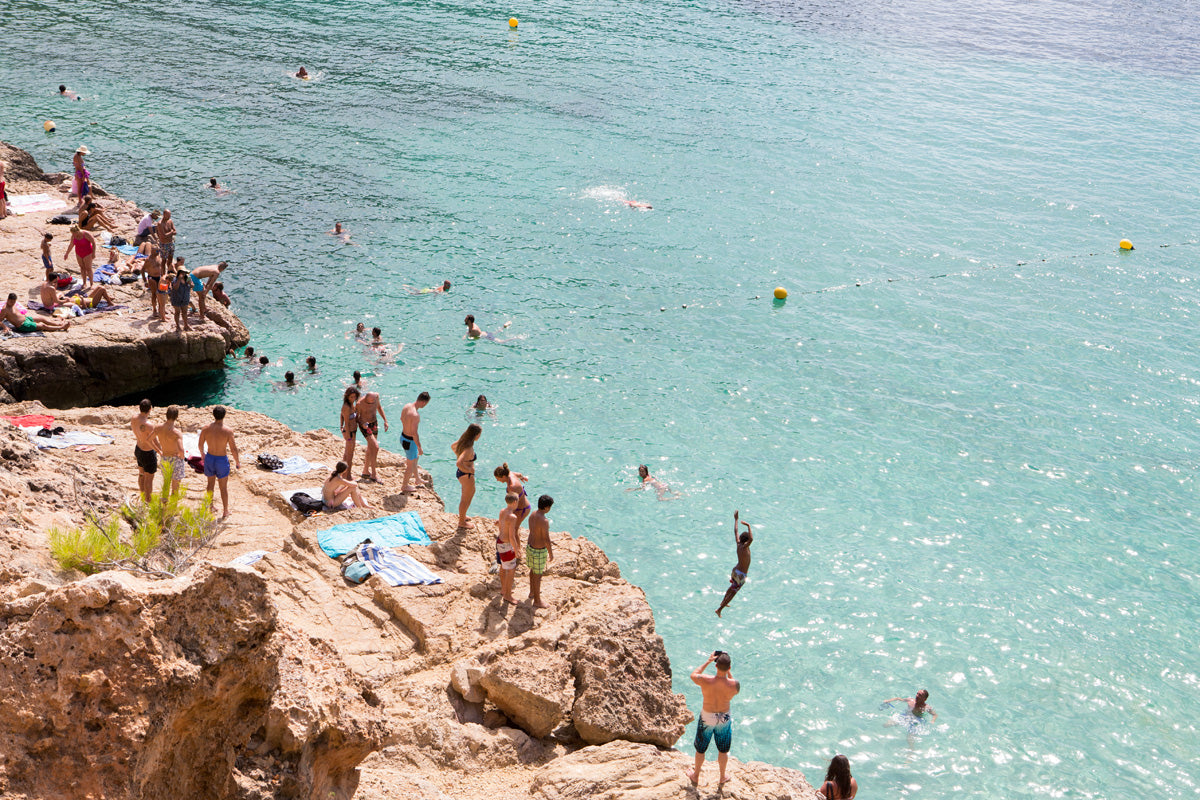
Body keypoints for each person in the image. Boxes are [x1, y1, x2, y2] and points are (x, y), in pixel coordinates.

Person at [687, 651, 740, 786]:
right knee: (723, 749)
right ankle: (722, 776)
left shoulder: (705, 680)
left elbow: (694, 674)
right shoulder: (734, 685)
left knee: (701, 748)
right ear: (729, 667)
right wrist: (728, 672)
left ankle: (695, 775)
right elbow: (733, 683)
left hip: (707, 716)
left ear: (716, 666)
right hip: (724, 718)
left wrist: (708, 661)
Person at [198, 405, 240, 519]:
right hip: (221, 460)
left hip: (210, 458)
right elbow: (233, 449)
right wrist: (237, 462)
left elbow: (200, 444)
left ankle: (210, 506)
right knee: (223, 487)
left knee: (210, 484)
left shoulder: (206, 428)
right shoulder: (228, 431)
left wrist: (202, 455)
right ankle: (225, 511)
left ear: (213, 415)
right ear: (224, 415)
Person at [716, 511, 754, 617]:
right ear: (746, 542)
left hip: (735, 571)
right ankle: (720, 609)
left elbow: (736, 531)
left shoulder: (738, 544)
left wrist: (736, 519)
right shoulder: (745, 547)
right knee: (733, 593)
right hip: (741, 575)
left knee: (731, 587)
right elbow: (752, 539)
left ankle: (723, 601)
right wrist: (748, 526)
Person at [450, 424, 481, 529]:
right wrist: (469, 470)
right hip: (466, 475)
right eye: (479, 434)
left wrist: (458, 454)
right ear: (476, 435)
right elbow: (459, 463)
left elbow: (453, 446)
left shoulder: (463, 442)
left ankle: (463, 516)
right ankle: (461, 522)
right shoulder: (468, 448)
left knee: (469, 494)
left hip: (462, 474)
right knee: (465, 499)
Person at [526, 495, 555, 608]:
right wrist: (551, 553)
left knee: (532, 570)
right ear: (547, 507)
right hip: (539, 550)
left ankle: (532, 592)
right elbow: (546, 539)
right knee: (538, 575)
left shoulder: (532, 514)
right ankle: (537, 601)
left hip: (530, 547)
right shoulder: (544, 521)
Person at [130, 399, 160, 503]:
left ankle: (143, 497)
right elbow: (155, 442)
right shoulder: (149, 425)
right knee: (149, 479)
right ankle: (148, 501)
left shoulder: (134, 418)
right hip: (148, 453)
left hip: (138, 449)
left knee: (141, 474)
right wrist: (161, 451)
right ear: (150, 409)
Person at [399, 392, 429, 493]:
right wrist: (419, 447)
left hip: (403, 436)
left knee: (415, 458)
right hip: (410, 441)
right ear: (424, 402)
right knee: (410, 466)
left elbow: (401, 418)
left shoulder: (407, 406)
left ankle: (417, 479)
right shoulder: (415, 415)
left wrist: (407, 425)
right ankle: (404, 486)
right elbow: (414, 433)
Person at [356, 391, 389, 482]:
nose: (371, 403)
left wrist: (385, 420)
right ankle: (374, 474)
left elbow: (379, 407)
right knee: (375, 447)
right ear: (366, 398)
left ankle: (365, 471)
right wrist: (362, 424)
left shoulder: (376, 397)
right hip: (365, 426)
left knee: (371, 448)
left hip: (374, 423)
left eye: (373, 401)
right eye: (369, 402)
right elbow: (356, 417)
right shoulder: (359, 404)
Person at [156, 405, 187, 494]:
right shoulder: (176, 432)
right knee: (175, 487)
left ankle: (164, 502)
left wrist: (158, 450)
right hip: (175, 459)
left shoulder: (158, 427)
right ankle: (173, 503)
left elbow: (148, 440)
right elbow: (181, 450)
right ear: (176, 417)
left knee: (166, 484)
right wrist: (182, 457)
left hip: (165, 458)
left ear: (166, 415)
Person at [495, 492, 520, 603]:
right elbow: (511, 536)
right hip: (506, 545)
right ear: (514, 502)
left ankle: (504, 589)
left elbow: (500, 524)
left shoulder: (502, 511)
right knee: (511, 570)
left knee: (503, 565)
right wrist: (516, 550)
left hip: (499, 541)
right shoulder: (513, 517)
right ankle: (508, 595)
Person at [3, 293, 70, 332]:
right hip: (23, 325)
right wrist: (5, 327)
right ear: (7, 300)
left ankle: (58, 324)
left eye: (14, 302)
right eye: (11, 302)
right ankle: (62, 327)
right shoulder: (4, 309)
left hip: (26, 319)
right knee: (43, 326)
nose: (12, 303)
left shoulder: (13, 304)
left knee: (41, 318)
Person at [493, 462, 530, 528]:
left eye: (497, 478)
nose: (497, 480)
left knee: (514, 529)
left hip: (522, 509)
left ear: (503, 476)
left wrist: (501, 519)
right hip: (520, 506)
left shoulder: (512, 487)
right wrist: (522, 478)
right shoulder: (510, 474)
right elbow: (519, 474)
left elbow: (512, 505)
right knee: (510, 528)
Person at [63, 224, 97, 289]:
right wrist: (67, 253)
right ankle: (84, 283)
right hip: (79, 253)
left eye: (74, 233)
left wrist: (93, 253)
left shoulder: (86, 234)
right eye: (73, 234)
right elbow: (71, 245)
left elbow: (93, 242)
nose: (74, 235)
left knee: (88, 268)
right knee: (82, 267)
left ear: (77, 231)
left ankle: (91, 283)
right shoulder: (73, 236)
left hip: (87, 252)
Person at [339, 386, 360, 474]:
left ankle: (342, 472)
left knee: (347, 453)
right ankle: (348, 474)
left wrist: (341, 425)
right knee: (350, 454)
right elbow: (346, 422)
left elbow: (341, 415)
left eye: (355, 397)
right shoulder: (346, 407)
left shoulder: (351, 404)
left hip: (353, 431)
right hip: (349, 432)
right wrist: (347, 434)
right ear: (347, 396)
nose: (353, 398)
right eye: (351, 397)